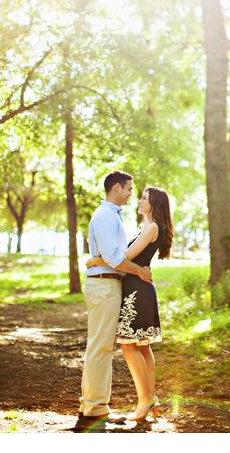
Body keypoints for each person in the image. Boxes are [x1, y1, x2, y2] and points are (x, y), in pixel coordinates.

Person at [86, 186, 173, 421]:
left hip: (137, 290)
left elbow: (124, 257)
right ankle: (150, 398)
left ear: (154, 204)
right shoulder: (147, 227)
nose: (139, 200)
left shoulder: (151, 227)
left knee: (129, 345)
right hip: (138, 288)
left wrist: (95, 259)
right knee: (142, 346)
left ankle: (145, 399)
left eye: (144, 198)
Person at [78, 171, 153, 423]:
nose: (132, 194)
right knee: (101, 347)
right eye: (130, 189)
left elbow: (113, 255)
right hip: (104, 286)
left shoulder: (111, 216)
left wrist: (95, 260)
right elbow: (114, 258)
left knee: (98, 345)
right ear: (117, 187)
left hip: (106, 285)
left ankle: (91, 403)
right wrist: (140, 271)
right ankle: (96, 407)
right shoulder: (106, 217)